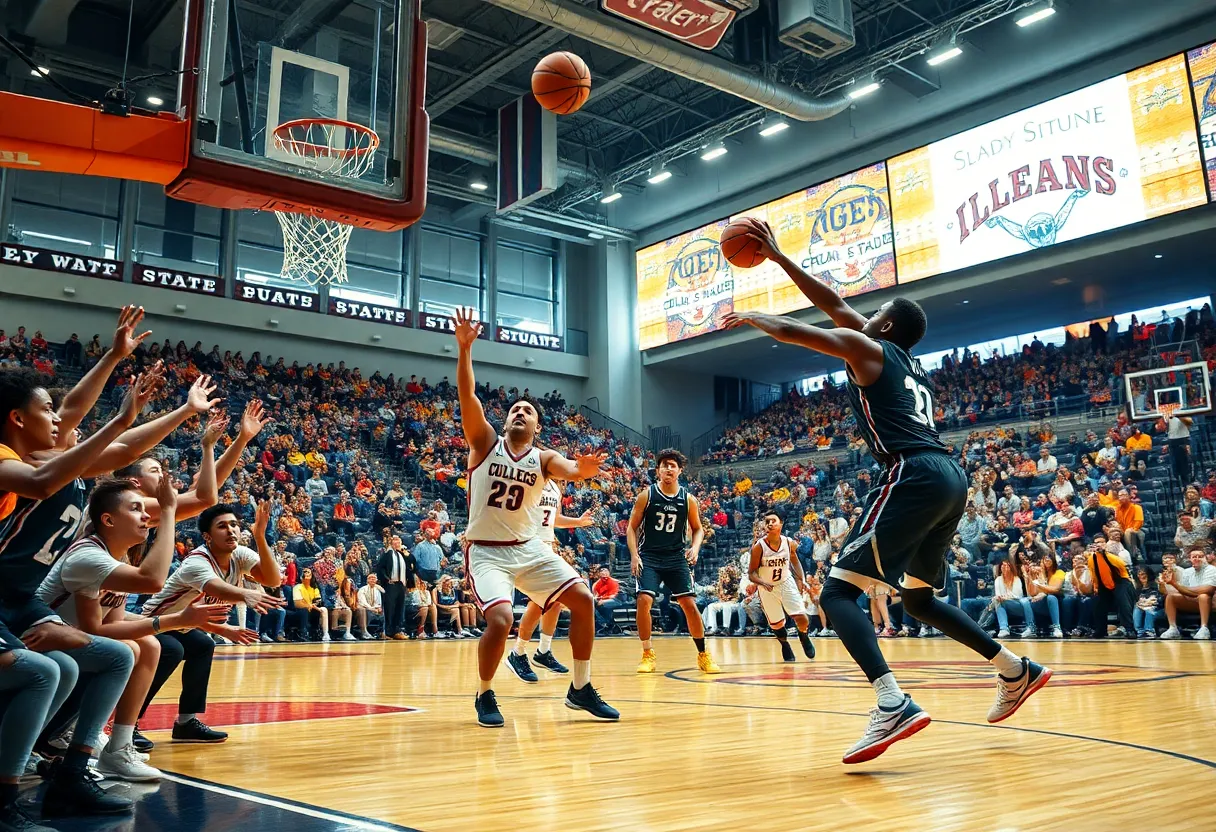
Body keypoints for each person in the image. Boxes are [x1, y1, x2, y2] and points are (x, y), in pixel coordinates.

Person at [724, 219, 1049, 765]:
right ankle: (1014, 669)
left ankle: (891, 701)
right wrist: (779, 259)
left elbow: (803, 331)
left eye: (871, 314)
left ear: (886, 323)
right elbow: (833, 304)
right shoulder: (902, 359)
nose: (859, 313)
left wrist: (756, 316)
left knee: (836, 595)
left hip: (912, 472)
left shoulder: (866, 349)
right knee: (919, 599)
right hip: (949, 476)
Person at [453, 309, 617, 727]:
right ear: (505, 421)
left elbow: (568, 468)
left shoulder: (543, 458)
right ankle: (484, 693)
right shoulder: (485, 442)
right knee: (502, 619)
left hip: (528, 548)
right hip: (486, 552)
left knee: (583, 601)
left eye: (528, 410)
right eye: (514, 409)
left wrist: (582, 471)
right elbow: (468, 398)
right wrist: (465, 350)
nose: (520, 412)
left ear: (538, 427)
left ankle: (580, 688)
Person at [34, 471, 228, 782]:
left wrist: (178, 621)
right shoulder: (89, 555)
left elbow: (107, 623)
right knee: (123, 652)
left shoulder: (117, 554)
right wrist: (167, 511)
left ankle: (118, 744)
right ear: (109, 521)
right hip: (36, 637)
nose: (144, 516)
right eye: (136, 509)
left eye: (145, 510)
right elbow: (152, 582)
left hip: (67, 638)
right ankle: (75, 735)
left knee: (148, 644)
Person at [140, 503, 283, 740]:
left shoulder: (240, 554)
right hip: (152, 624)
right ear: (207, 536)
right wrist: (245, 594)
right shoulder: (196, 562)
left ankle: (186, 723)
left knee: (203, 645)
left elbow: (273, 579)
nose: (231, 531)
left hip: (182, 624)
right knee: (172, 650)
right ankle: (127, 721)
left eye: (235, 525)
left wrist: (260, 535)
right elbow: (215, 588)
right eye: (222, 526)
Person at [628, 448, 721, 674]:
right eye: (664, 465)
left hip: (676, 557)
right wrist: (634, 555)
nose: (668, 468)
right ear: (658, 470)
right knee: (643, 601)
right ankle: (647, 653)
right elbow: (631, 528)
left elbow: (698, 529)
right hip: (649, 556)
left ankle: (703, 654)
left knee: (689, 605)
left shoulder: (688, 500)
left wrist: (696, 547)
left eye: (673, 465)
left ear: (680, 470)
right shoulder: (646, 496)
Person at [506, 479, 593, 681]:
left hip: (548, 546)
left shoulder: (555, 487)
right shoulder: (527, 481)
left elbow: (553, 519)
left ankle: (543, 651)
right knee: (540, 602)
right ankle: (517, 652)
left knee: (556, 601)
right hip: (528, 547)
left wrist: (578, 522)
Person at [747, 511, 816, 662]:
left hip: (786, 582)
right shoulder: (759, 547)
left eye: (773, 521)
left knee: (802, 618)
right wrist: (762, 583)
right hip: (767, 589)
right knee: (777, 624)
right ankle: (785, 644)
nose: (770, 524)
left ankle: (803, 636)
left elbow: (795, 560)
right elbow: (751, 573)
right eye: (767, 522)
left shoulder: (788, 542)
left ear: (781, 524)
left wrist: (802, 579)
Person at [1159, 548, 1215, 640]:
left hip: (1208, 602)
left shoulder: (1212, 569)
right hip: (1192, 601)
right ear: (1190, 559)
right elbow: (1182, 592)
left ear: (1205, 558)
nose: (1197, 558)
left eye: (1200, 556)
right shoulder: (1187, 571)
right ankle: (1173, 628)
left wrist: (1177, 586)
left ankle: (1204, 628)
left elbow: (1208, 589)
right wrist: (1169, 584)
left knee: (1203, 596)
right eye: (1194, 557)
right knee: (1171, 596)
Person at [376, 535, 415, 640]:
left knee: (400, 608)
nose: (398, 544)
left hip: (401, 584)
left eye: (399, 542)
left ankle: (397, 630)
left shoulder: (402, 554)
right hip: (391, 584)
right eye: (396, 542)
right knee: (390, 608)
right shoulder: (387, 554)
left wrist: (406, 553)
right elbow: (380, 568)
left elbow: (412, 563)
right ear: (392, 543)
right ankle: (388, 632)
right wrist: (386, 579)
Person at [356, 573, 384, 639]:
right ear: (367, 580)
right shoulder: (362, 589)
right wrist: (371, 608)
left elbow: (378, 602)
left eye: (374, 578)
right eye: (371, 578)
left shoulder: (377, 590)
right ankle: (364, 632)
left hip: (374, 608)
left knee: (383, 612)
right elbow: (362, 602)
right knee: (366, 611)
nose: (372, 580)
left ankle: (382, 632)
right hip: (365, 608)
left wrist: (378, 607)